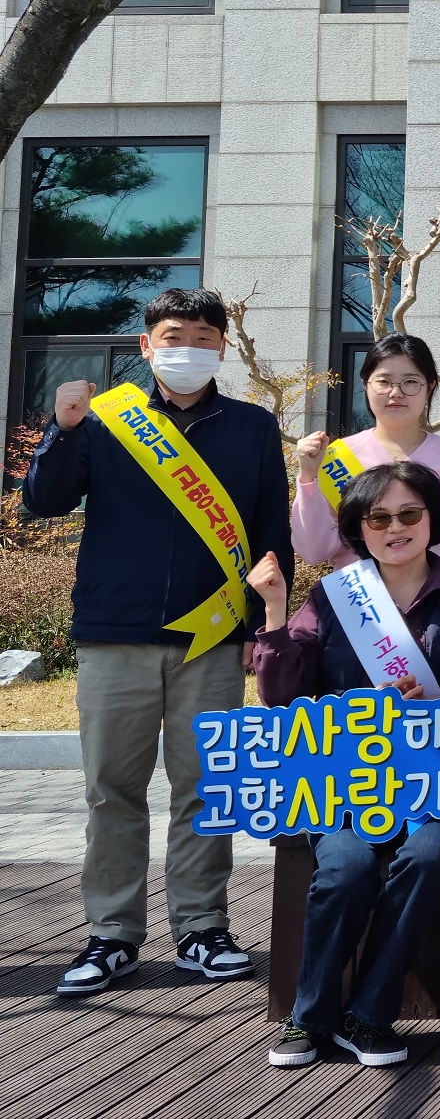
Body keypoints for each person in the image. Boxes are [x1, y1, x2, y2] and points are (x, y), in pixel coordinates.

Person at [24, 287, 291, 997]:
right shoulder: (105, 418)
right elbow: (44, 501)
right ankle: (111, 933)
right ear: (146, 345)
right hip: (114, 632)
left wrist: (260, 627)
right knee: (112, 790)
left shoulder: (252, 426)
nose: (189, 349)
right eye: (174, 336)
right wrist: (63, 429)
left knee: (205, 788)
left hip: (213, 636)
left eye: (204, 337)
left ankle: (202, 927)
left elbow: (271, 533)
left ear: (222, 349)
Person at [251, 462, 440, 1070]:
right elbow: (284, 697)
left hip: (439, 781)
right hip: (348, 783)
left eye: (409, 514)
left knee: (429, 855)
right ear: (359, 528)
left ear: (433, 520)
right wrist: (273, 613)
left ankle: (369, 1014)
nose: (395, 528)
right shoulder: (332, 597)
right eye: (378, 518)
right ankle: (309, 1015)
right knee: (345, 869)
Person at [291, 333, 440, 567]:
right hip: (358, 590)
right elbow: (314, 552)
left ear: (430, 387)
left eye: (410, 382)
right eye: (384, 381)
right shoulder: (334, 459)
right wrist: (308, 478)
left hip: (434, 589)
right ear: (366, 385)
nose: (395, 392)